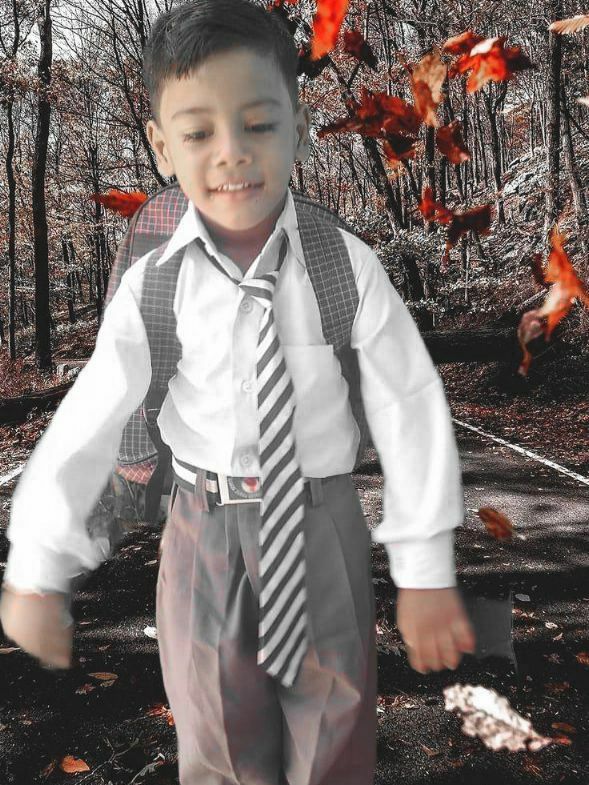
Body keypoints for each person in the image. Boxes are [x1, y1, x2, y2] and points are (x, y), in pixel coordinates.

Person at [0, 1, 476, 783]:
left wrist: (423, 568)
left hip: (319, 519)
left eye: (258, 123)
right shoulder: (155, 282)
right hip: (203, 528)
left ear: (296, 125)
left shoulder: (341, 263)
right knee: (218, 738)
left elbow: (408, 404)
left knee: (333, 736)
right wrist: (39, 561)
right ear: (162, 145)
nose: (232, 153)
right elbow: (92, 414)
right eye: (198, 133)